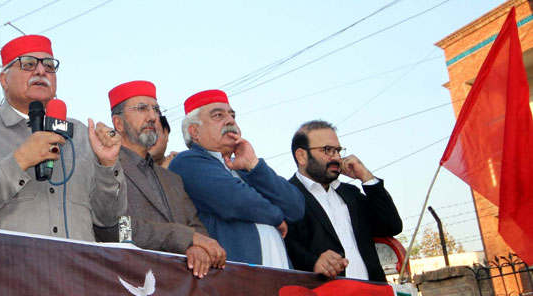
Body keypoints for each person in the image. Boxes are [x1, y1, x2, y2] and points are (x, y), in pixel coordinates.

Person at [0, 35, 126, 240]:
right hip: (8, 269)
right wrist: (20, 160)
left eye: (49, 66)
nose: (41, 71)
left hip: (77, 268)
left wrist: (107, 165)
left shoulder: (80, 134)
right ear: (4, 80)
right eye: (28, 64)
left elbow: (109, 219)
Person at [97, 80, 226, 278]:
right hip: (132, 285)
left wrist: (197, 248)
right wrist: (185, 239)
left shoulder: (172, 179)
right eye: (141, 109)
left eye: (155, 109)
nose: (152, 117)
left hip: (180, 290)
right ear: (118, 123)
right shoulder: (105, 168)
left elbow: (197, 229)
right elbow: (115, 230)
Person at [168, 89, 304, 267]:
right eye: (218, 115)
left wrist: (254, 165)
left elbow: (295, 207)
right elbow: (237, 201)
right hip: (234, 279)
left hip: (280, 273)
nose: (230, 120)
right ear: (194, 131)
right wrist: (277, 216)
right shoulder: (188, 161)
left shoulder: (245, 166)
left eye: (232, 115)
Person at [284, 120, 402, 282]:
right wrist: (314, 262)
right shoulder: (286, 195)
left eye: (338, 151)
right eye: (328, 150)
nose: (337, 158)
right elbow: (286, 246)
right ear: (302, 156)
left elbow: (391, 226)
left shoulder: (350, 194)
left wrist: (366, 178)